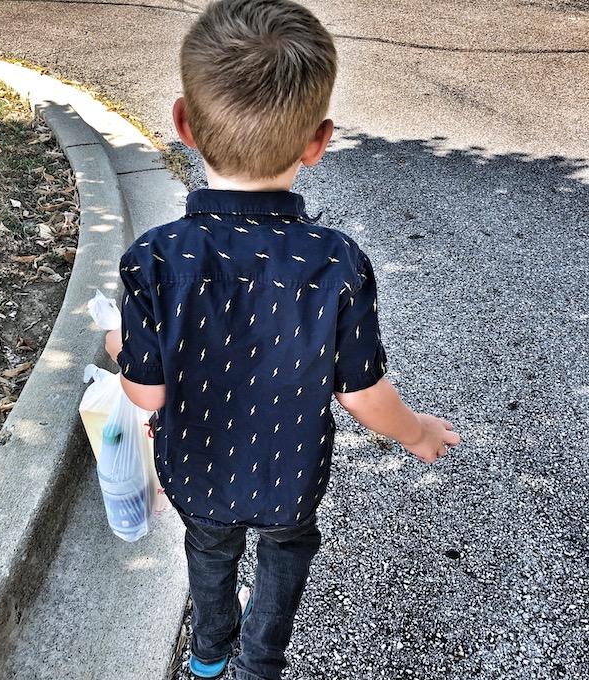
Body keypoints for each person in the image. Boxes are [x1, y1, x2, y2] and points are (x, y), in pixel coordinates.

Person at [104, 1, 461, 678]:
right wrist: (415, 434)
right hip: (288, 474)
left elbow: (147, 391)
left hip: (199, 468)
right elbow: (362, 393)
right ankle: (260, 662)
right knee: (285, 550)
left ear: (184, 123)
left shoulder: (155, 258)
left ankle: (209, 651)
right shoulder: (334, 261)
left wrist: (122, 348)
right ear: (318, 141)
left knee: (209, 550)